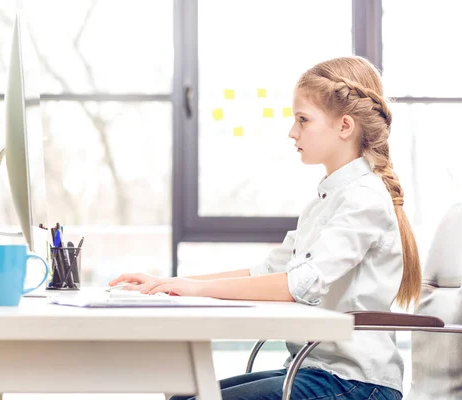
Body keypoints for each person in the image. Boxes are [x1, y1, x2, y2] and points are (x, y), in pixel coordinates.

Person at [108, 56, 420, 400]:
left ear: (344, 126)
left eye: (303, 120)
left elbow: (300, 283)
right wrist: (173, 285)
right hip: (312, 368)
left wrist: (192, 290)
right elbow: (271, 270)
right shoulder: (326, 201)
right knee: (184, 395)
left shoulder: (363, 198)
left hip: (356, 384)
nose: (292, 132)